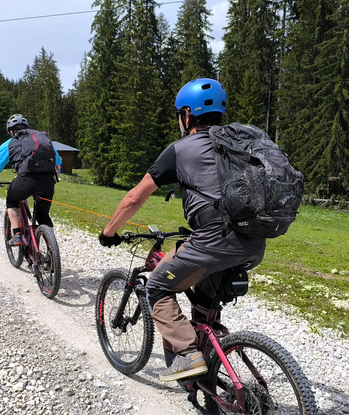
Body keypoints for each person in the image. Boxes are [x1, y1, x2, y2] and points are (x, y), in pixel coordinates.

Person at [98, 78, 266, 382]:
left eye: (180, 113)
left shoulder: (181, 149)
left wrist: (109, 232)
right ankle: (207, 369)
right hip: (254, 241)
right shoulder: (238, 146)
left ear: (187, 115)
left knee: (158, 287)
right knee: (204, 303)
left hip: (214, 241)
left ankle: (189, 356)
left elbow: (135, 197)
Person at [0, 114, 62, 246]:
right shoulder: (41, 140)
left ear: (11, 131)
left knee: (12, 200)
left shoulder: (9, 143)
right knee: (43, 216)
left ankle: (17, 235)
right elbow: (58, 165)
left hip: (26, 181)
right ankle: (51, 248)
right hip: (48, 182)